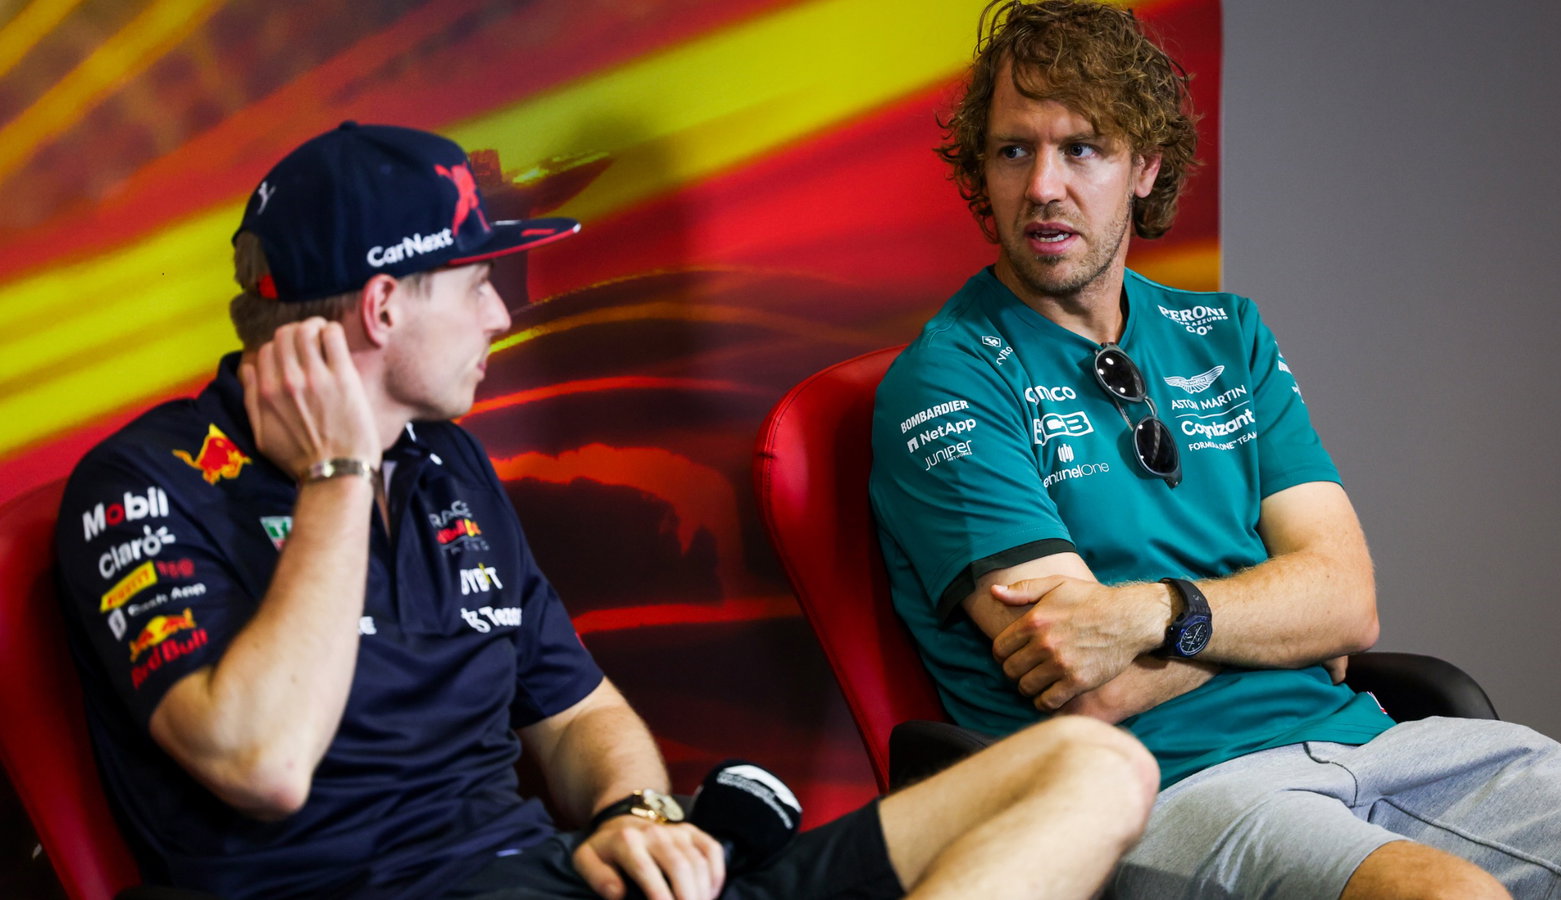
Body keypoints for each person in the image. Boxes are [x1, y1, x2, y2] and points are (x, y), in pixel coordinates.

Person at [54, 121, 1158, 900]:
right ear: (384, 306)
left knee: (1094, 767)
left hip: (566, 877)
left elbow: (581, 716)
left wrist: (636, 815)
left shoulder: (442, 465)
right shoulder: (147, 486)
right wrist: (339, 477)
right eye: (477, 282)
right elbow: (260, 762)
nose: (501, 312)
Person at [868, 2, 1561, 898]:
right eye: (1014, 150)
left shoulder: (1226, 333)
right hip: (1159, 785)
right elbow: (1088, 683)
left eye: (1083, 149)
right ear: (982, 172)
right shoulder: (948, 378)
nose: (1044, 185)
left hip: (1366, 738)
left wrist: (1153, 616)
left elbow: (1350, 602)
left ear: (1147, 167)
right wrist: (1282, 626)